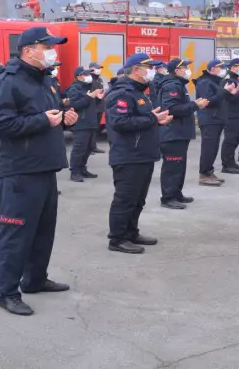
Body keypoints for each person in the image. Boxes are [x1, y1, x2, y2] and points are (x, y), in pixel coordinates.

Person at [0, 26, 78, 316]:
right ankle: (8, 292)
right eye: (47, 46)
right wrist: (43, 121)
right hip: (20, 171)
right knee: (16, 233)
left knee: (43, 230)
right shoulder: (8, 82)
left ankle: (35, 279)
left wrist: (66, 118)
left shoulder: (46, 80)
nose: (53, 51)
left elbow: (49, 117)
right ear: (28, 51)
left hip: (46, 167)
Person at [105, 53, 172, 254]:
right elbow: (120, 123)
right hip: (128, 155)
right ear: (136, 70)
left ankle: (131, 232)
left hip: (143, 153)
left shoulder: (138, 91)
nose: (152, 71)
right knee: (125, 199)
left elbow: (143, 119)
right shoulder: (122, 93)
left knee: (138, 198)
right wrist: (152, 119)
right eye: (149, 67)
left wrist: (155, 119)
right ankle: (117, 239)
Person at [157, 58, 208, 209]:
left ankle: (176, 193)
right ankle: (168, 197)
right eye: (185, 67)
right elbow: (170, 108)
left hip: (179, 132)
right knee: (172, 166)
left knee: (179, 165)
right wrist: (195, 105)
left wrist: (193, 105)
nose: (187, 70)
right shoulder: (172, 85)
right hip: (172, 132)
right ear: (177, 70)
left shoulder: (179, 84)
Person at [66, 66, 104, 182]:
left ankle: (82, 169)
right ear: (78, 76)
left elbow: (91, 104)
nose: (88, 77)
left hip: (91, 122)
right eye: (85, 75)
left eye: (88, 74)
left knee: (88, 148)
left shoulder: (87, 87)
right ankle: (74, 172)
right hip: (81, 123)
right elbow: (75, 105)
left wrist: (97, 98)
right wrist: (89, 97)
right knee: (79, 148)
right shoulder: (74, 89)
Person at [193, 59, 228, 186]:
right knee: (208, 148)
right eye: (221, 67)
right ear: (213, 68)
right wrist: (225, 92)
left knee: (213, 147)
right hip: (209, 119)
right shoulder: (205, 82)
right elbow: (207, 101)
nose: (223, 70)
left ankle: (209, 171)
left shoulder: (215, 81)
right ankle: (204, 174)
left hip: (216, 119)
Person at [87, 62, 106, 154]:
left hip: (99, 107)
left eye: (100, 68)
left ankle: (93, 146)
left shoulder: (100, 80)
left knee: (96, 128)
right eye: (97, 68)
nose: (99, 70)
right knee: (90, 128)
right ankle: (88, 147)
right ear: (91, 69)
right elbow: (87, 94)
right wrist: (95, 96)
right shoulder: (88, 79)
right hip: (92, 107)